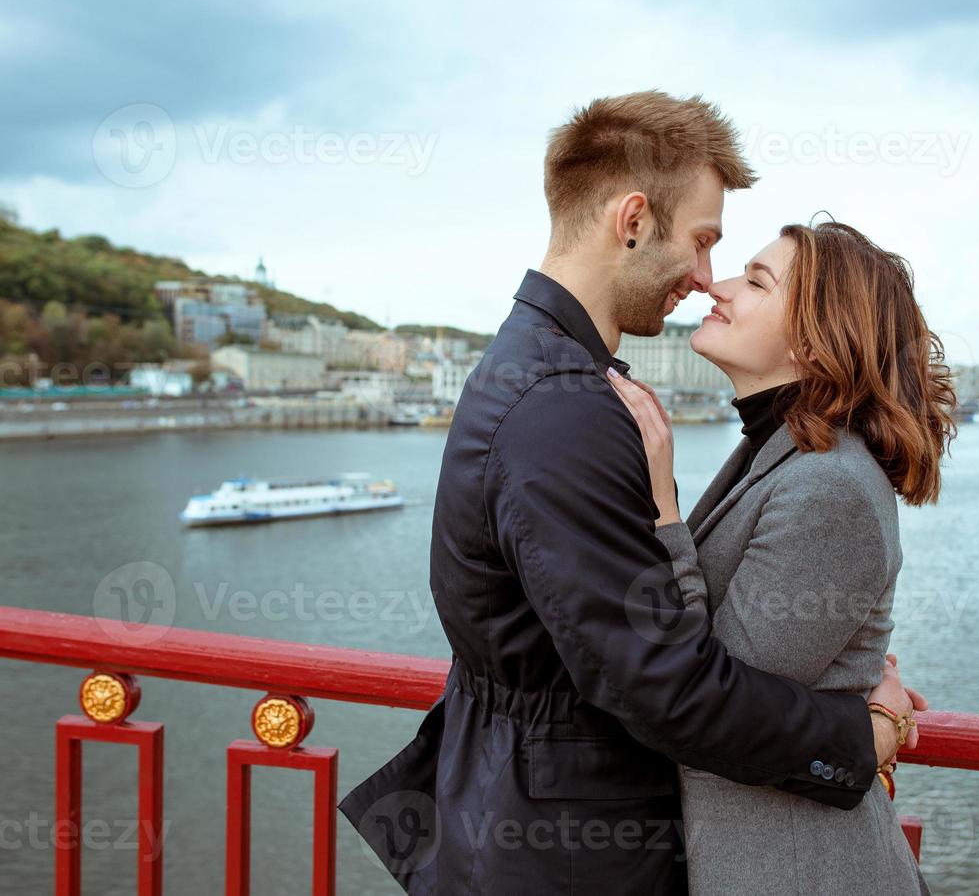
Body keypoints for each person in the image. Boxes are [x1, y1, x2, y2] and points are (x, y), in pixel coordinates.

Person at [339, 91, 927, 894]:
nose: (707, 279)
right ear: (632, 221)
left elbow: (671, 666)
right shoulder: (564, 408)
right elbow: (670, 689)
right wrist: (868, 733)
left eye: (746, 274)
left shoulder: (549, 376)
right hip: (565, 839)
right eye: (703, 242)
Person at [608, 219, 956, 894]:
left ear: (814, 336)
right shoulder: (781, 453)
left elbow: (709, 709)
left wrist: (662, 510)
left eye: (756, 279)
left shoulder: (829, 484)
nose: (717, 283)